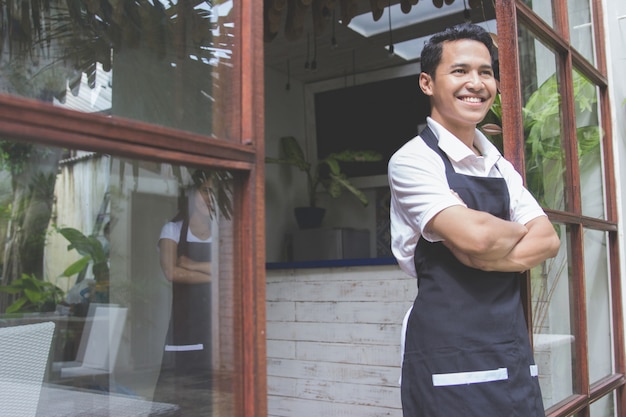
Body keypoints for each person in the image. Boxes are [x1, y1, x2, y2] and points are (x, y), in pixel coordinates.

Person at [388, 23, 561, 417]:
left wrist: (481, 247)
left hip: (509, 342)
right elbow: (475, 237)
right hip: (448, 348)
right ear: (427, 83)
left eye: (485, 72)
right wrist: (513, 232)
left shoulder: (499, 165)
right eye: (460, 71)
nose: (477, 83)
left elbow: (548, 240)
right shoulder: (413, 160)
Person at [153, 169, 215, 414]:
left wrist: (191, 265)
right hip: (186, 322)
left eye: (215, 193)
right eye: (205, 191)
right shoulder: (172, 229)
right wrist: (214, 274)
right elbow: (171, 273)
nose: (210, 197)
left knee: (212, 393)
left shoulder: (222, 229)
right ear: (192, 193)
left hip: (215, 321)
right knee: (178, 392)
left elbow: (230, 272)